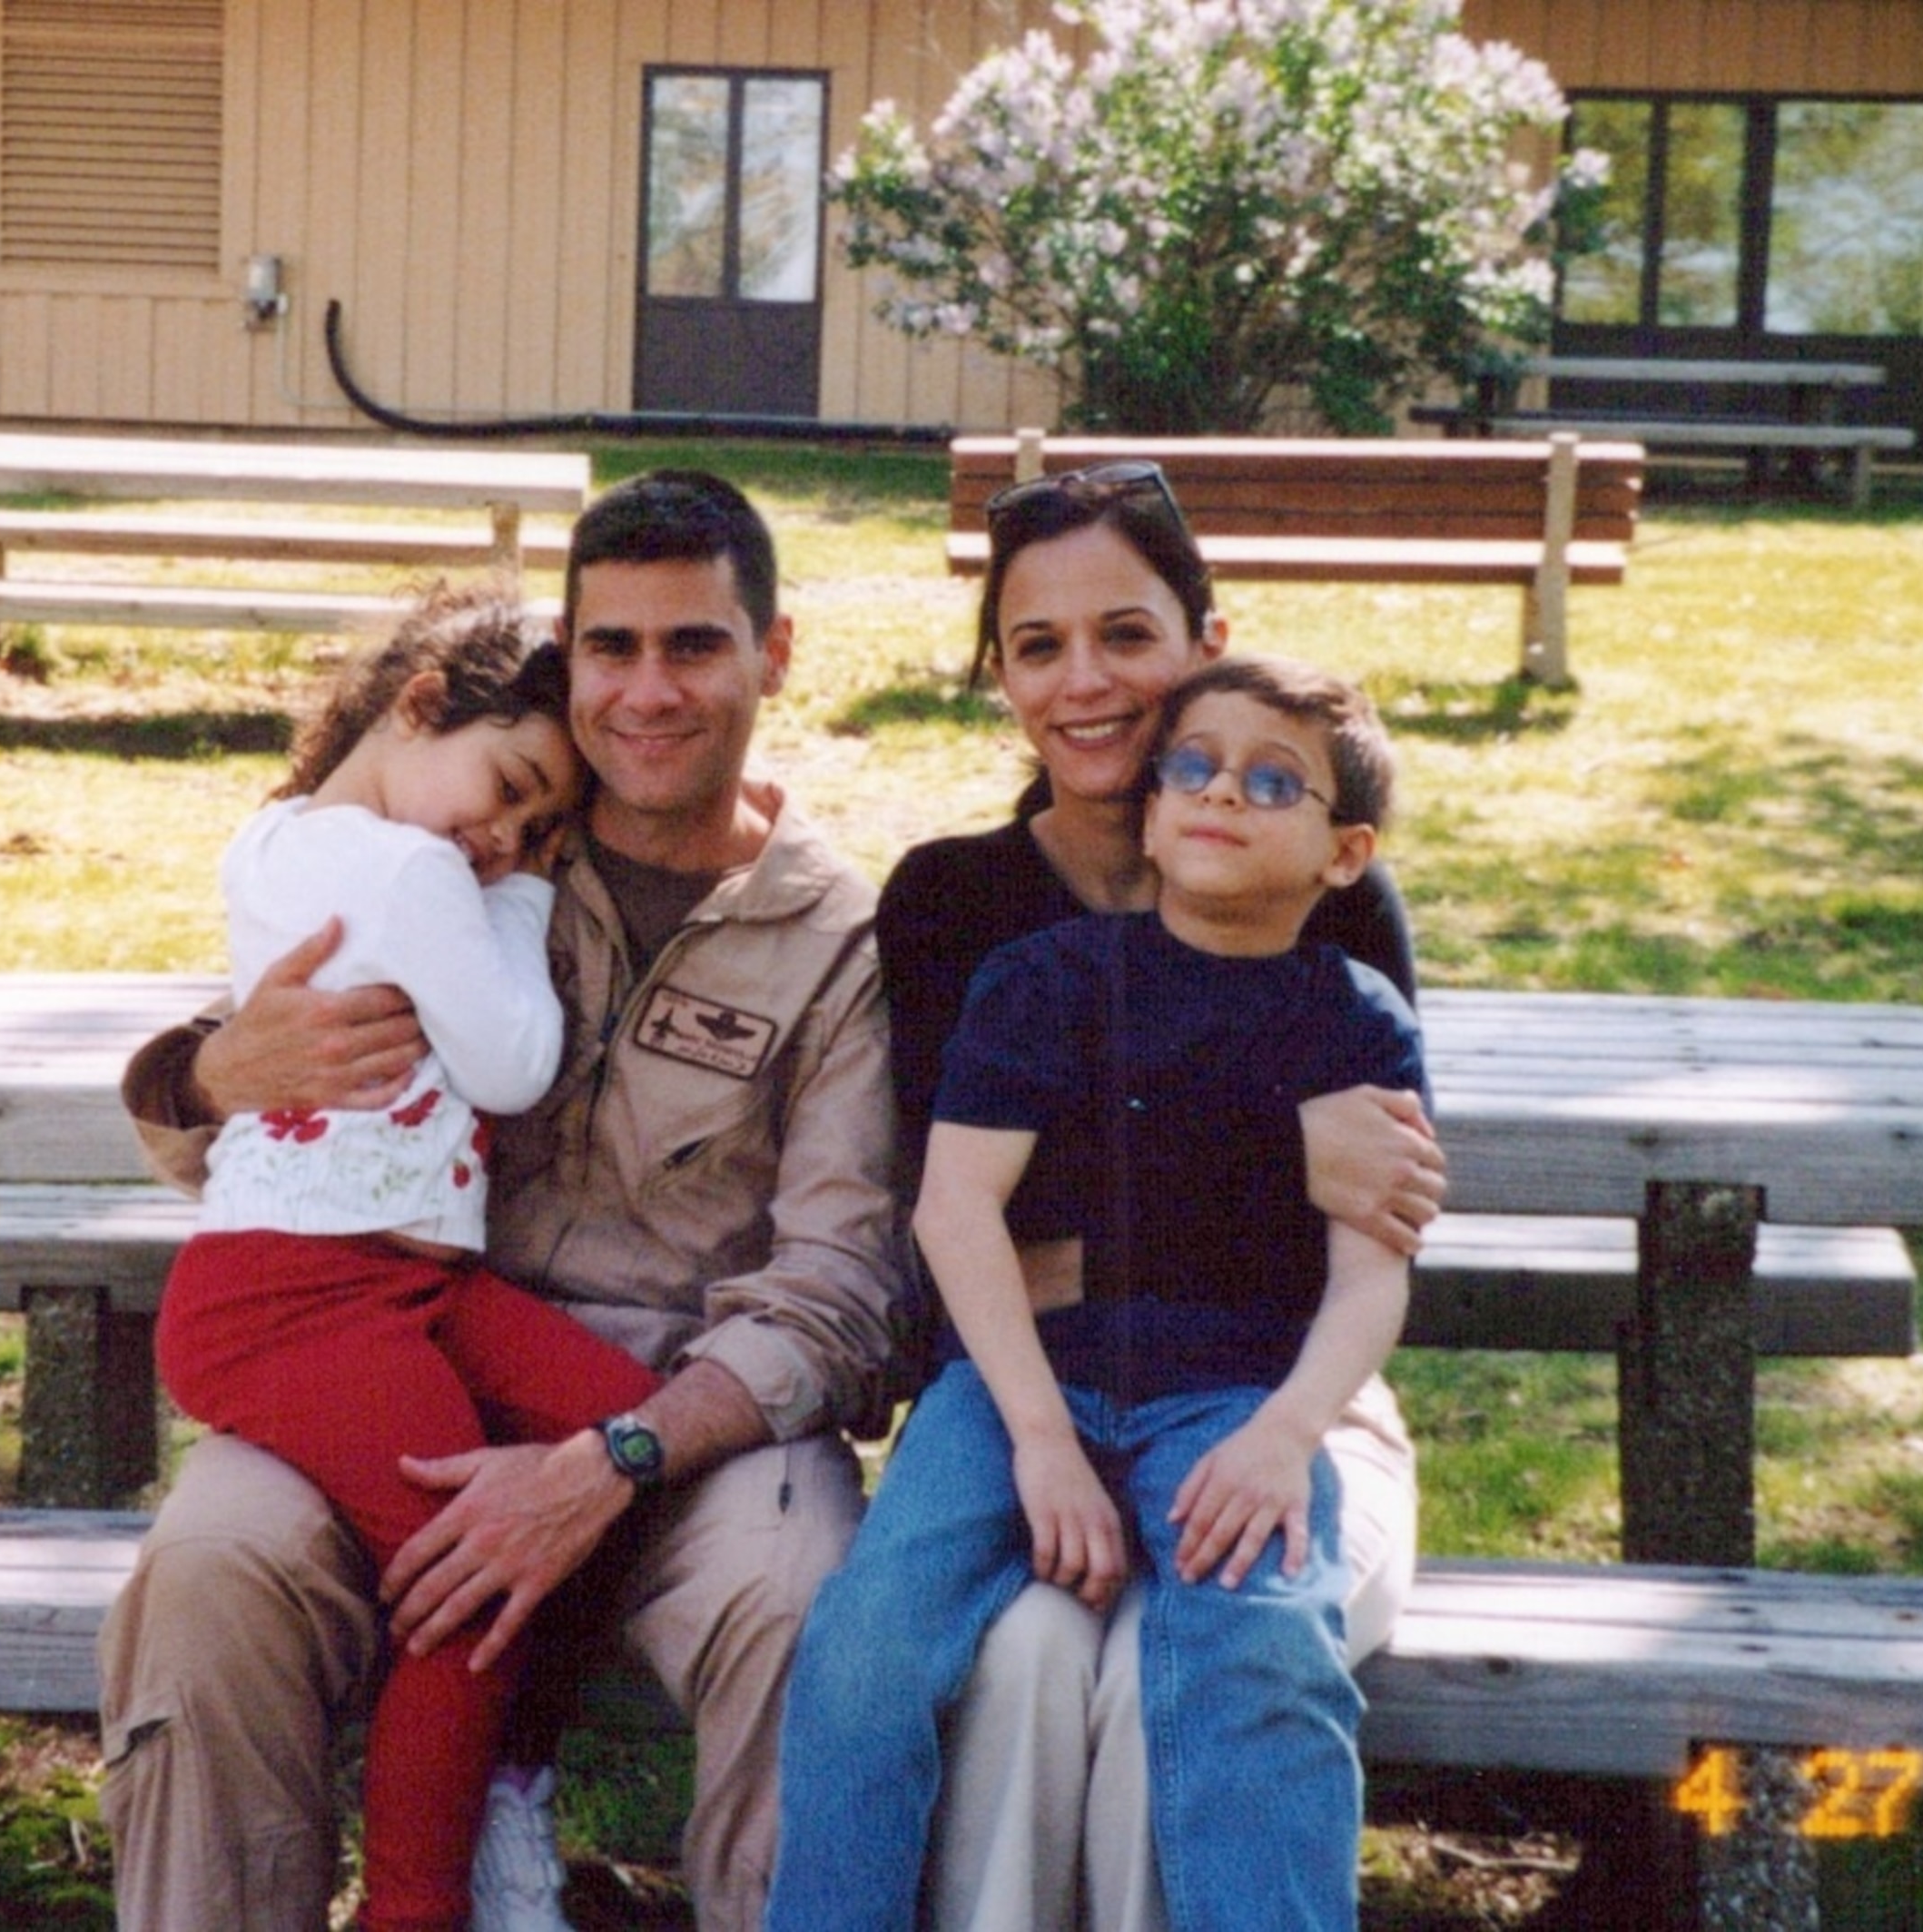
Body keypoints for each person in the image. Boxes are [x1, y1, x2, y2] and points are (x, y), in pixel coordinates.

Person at [96, 470, 906, 1932]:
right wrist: (211, 1073)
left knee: (806, 1612)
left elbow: (839, 1289)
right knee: (210, 1579)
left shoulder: (840, 939)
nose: (647, 693)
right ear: (568, 659)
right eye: (613, 648)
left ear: (773, 656)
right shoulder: (473, 834)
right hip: (384, 1355)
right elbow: (252, 1122)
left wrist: (616, 1458)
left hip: (681, 1419)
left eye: (697, 647)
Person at [769, 654, 1422, 1932]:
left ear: (1345, 854)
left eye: (1271, 781)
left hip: (1231, 1405)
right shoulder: (1046, 981)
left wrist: (1286, 1436)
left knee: (1262, 1659)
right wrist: (1040, 1439)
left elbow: (1371, 1278)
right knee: (867, 1650)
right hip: (1019, 1388)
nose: (1219, 793)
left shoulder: (1356, 1026)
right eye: (1195, 765)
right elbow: (954, 1211)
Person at [151, 584, 666, 1932]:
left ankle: (504, 1779)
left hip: (398, 1286)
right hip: (298, 1297)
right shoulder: (415, 871)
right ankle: (425, 1902)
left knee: (620, 1436)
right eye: (508, 790)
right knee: (466, 1576)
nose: (506, 840)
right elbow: (509, 1062)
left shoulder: (274, 839)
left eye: (541, 827)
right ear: (424, 698)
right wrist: (521, 902)